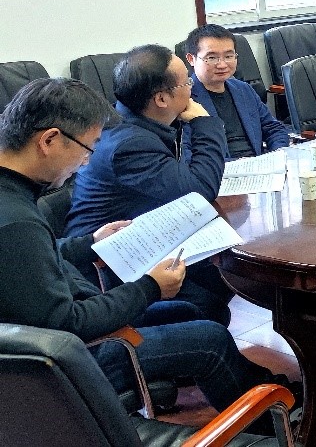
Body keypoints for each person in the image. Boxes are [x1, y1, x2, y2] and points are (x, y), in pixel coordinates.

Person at [0, 78, 289, 412]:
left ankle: (254, 387)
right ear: (49, 140)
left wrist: (90, 243)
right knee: (210, 340)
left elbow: (33, 258)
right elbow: (67, 324)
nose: (86, 161)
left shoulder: (14, 197)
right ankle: (273, 415)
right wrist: (151, 286)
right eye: (87, 148)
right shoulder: (16, 221)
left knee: (190, 311)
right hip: (66, 363)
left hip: (61, 327)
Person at [66, 44, 233, 324]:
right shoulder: (129, 144)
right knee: (209, 303)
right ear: (162, 98)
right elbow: (199, 191)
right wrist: (205, 123)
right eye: (187, 82)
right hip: (109, 269)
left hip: (146, 239)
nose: (192, 88)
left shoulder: (141, 123)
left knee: (221, 277)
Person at [183, 24, 291, 160]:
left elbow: (273, 128)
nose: (222, 65)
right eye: (212, 58)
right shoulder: (184, 99)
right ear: (191, 59)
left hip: (260, 164)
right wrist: (239, 164)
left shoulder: (243, 89)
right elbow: (187, 154)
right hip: (219, 169)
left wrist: (277, 153)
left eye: (229, 56)